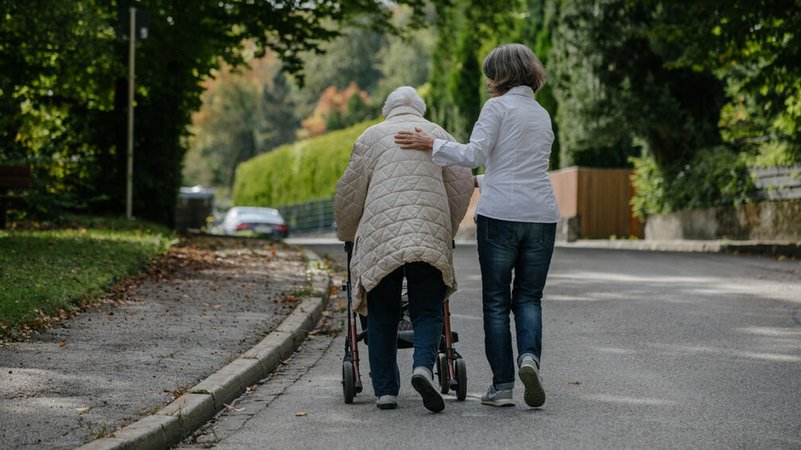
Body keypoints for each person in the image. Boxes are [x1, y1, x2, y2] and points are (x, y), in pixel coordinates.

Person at [394, 43, 560, 408]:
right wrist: (482, 181)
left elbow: (475, 154)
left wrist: (431, 143)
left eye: (490, 73)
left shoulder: (496, 108)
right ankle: (528, 358)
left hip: (500, 216)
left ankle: (502, 387)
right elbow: (519, 167)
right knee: (529, 298)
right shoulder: (541, 114)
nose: (487, 81)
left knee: (497, 302)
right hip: (542, 215)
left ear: (502, 75)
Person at [335, 86, 473, 412]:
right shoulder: (437, 134)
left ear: (388, 110)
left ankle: (385, 392)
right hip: (429, 230)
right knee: (427, 307)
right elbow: (462, 184)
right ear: (420, 110)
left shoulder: (371, 137)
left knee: (382, 311)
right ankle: (423, 367)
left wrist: (348, 233)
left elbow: (349, 193)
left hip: (381, 235)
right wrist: (448, 225)